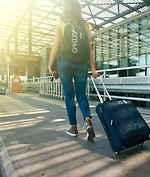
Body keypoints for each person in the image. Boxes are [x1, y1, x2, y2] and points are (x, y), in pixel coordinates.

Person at [48, 0, 99, 140]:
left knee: (69, 96)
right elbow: (89, 48)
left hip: (64, 62)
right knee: (81, 95)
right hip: (81, 64)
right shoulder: (86, 24)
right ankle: (88, 121)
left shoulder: (60, 21)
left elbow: (56, 44)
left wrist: (50, 64)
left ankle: (73, 127)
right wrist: (93, 68)